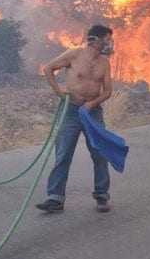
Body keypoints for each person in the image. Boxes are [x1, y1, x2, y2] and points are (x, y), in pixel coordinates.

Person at [36, 24, 115, 214]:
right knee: (63, 154)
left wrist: (92, 103)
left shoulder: (104, 63)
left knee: (99, 153)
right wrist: (59, 92)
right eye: (107, 39)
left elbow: (108, 91)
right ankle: (55, 198)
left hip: (93, 113)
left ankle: (101, 195)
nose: (109, 43)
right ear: (95, 40)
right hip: (70, 111)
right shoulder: (74, 55)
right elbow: (48, 69)